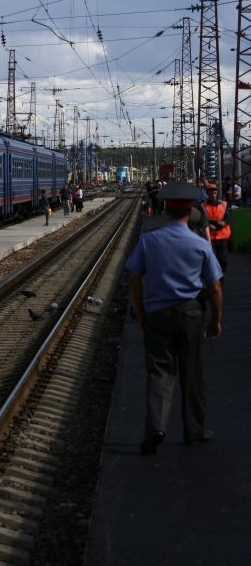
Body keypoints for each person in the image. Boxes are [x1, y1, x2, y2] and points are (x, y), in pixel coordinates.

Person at [126, 180, 222, 455]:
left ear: (166, 208)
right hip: (191, 313)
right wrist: (216, 319)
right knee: (193, 373)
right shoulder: (200, 245)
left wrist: (141, 313)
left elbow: (134, 278)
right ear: (191, 208)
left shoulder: (148, 241)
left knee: (159, 373)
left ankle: (155, 428)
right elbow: (214, 287)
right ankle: (195, 430)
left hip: (157, 314)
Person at [201, 181, 231, 274]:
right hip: (210, 237)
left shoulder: (223, 204)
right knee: (212, 259)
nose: (213, 195)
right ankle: (216, 278)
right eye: (210, 193)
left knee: (223, 260)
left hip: (222, 236)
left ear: (217, 193)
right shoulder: (203, 206)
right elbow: (201, 220)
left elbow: (226, 220)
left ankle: (220, 275)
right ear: (207, 194)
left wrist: (215, 222)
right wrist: (215, 222)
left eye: (214, 193)